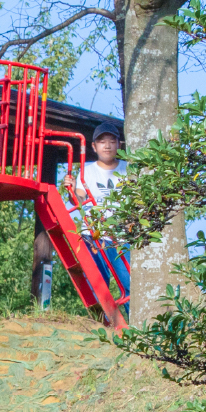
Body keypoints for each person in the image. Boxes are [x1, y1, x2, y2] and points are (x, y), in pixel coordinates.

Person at [72, 124, 131, 302]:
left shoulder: (128, 169)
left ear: (119, 145)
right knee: (96, 285)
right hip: (93, 235)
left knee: (129, 283)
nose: (107, 146)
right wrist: (72, 190)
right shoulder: (86, 172)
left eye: (112, 141)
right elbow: (79, 199)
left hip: (121, 235)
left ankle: (133, 328)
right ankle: (98, 326)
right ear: (94, 146)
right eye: (102, 142)